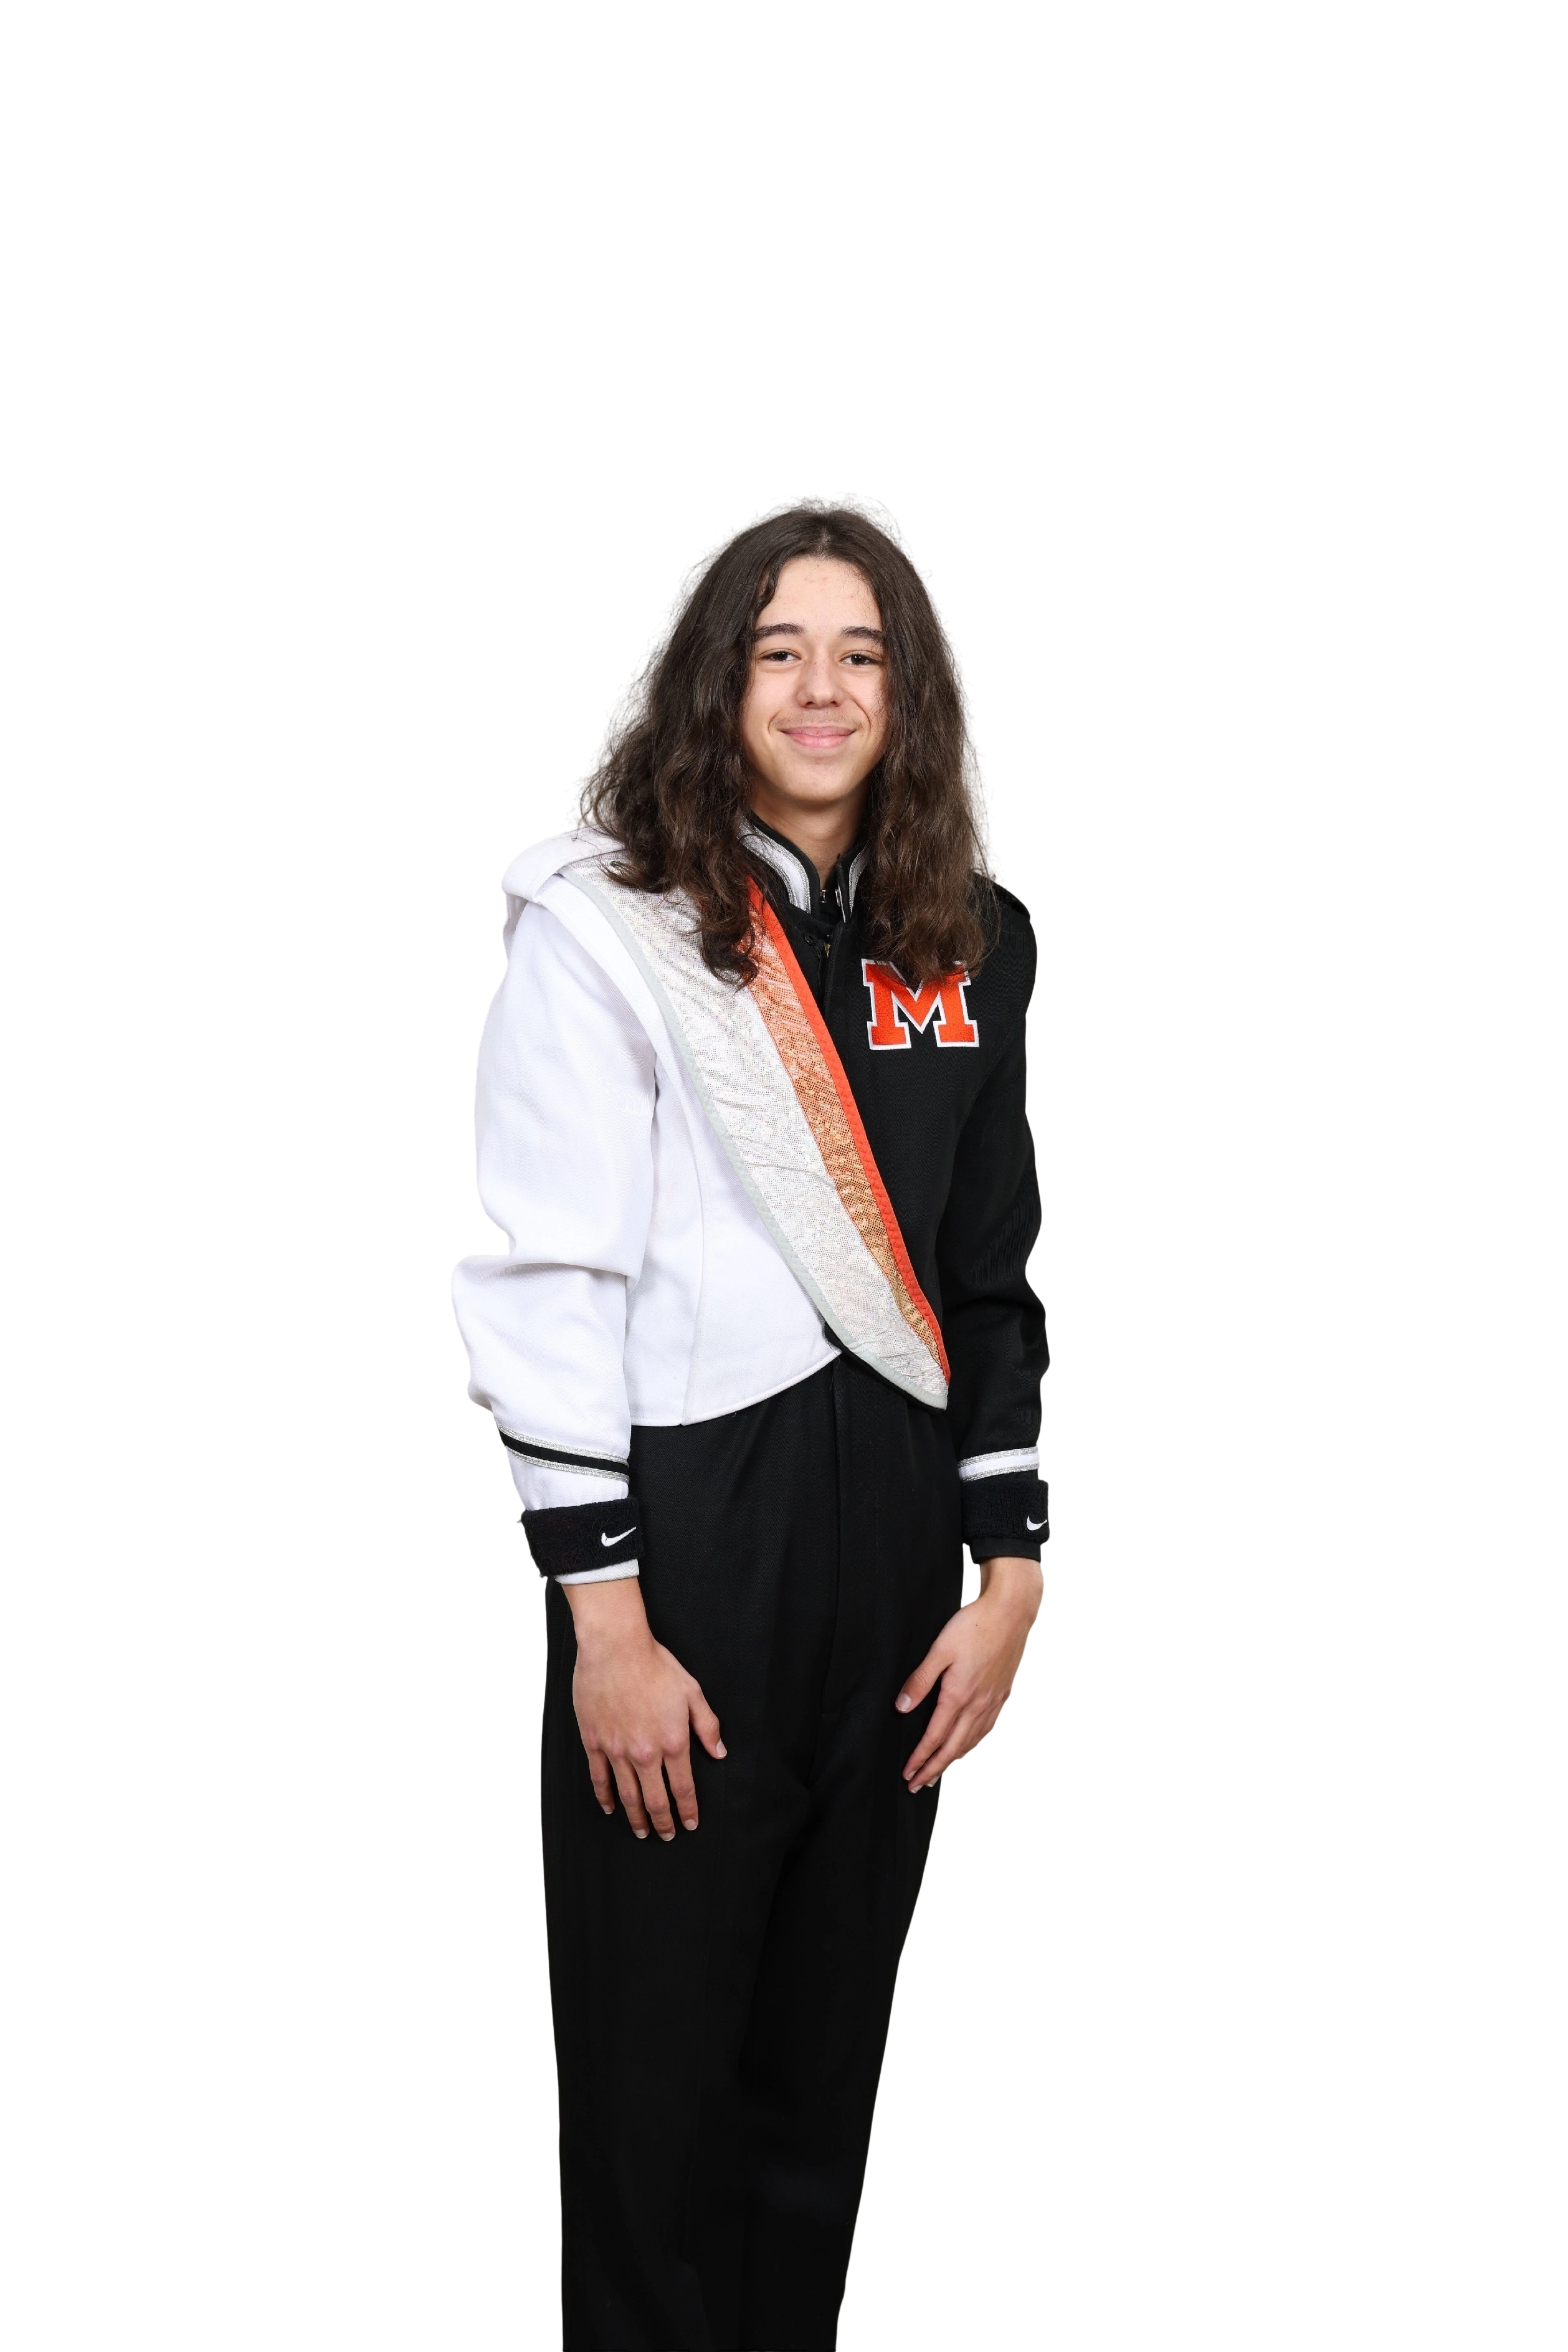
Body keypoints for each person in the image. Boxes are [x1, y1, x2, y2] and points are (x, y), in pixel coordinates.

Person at [449, 488, 1050, 2352]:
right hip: (686, 1545)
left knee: (820, 2092)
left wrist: (1013, 1569)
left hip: (899, 1557)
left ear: (909, 694)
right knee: (655, 2098)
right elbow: (553, 1283)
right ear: (717, 683)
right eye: (779, 651)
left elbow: (988, 1266)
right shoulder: (605, 920)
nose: (820, 689)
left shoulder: (972, 932)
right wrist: (606, 1628)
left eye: (862, 655)